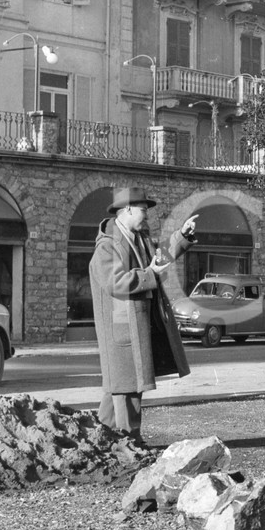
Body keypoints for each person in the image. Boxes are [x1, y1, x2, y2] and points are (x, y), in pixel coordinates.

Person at [88, 187, 198, 444]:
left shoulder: (138, 239)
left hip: (133, 327)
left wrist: (181, 236)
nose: (146, 216)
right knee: (127, 389)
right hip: (121, 331)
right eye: (143, 210)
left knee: (119, 388)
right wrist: (149, 273)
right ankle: (131, 443)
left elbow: (160, 259)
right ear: (126, 210)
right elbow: (115, 282)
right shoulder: (107, 246)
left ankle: (99, 440)